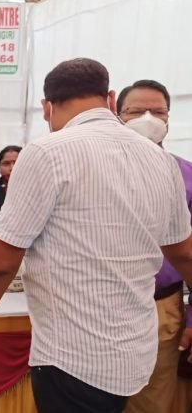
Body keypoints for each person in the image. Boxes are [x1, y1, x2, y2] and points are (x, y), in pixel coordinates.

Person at [0, 58, 192, 413]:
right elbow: (185, 253)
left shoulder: (46, 152)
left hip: (72, 357)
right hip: (136, 351)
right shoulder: (161, 160)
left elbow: (1, 263)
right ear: (111, 99)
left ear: (46, 107)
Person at [117, 80, 192, 413]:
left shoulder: (187, 176)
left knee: (152, 401)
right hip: (98, 305)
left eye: (158, 111)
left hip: (161, 306)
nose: (148, 119)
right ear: (117, 116)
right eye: (136, 111)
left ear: (168, 119)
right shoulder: (92, 169)